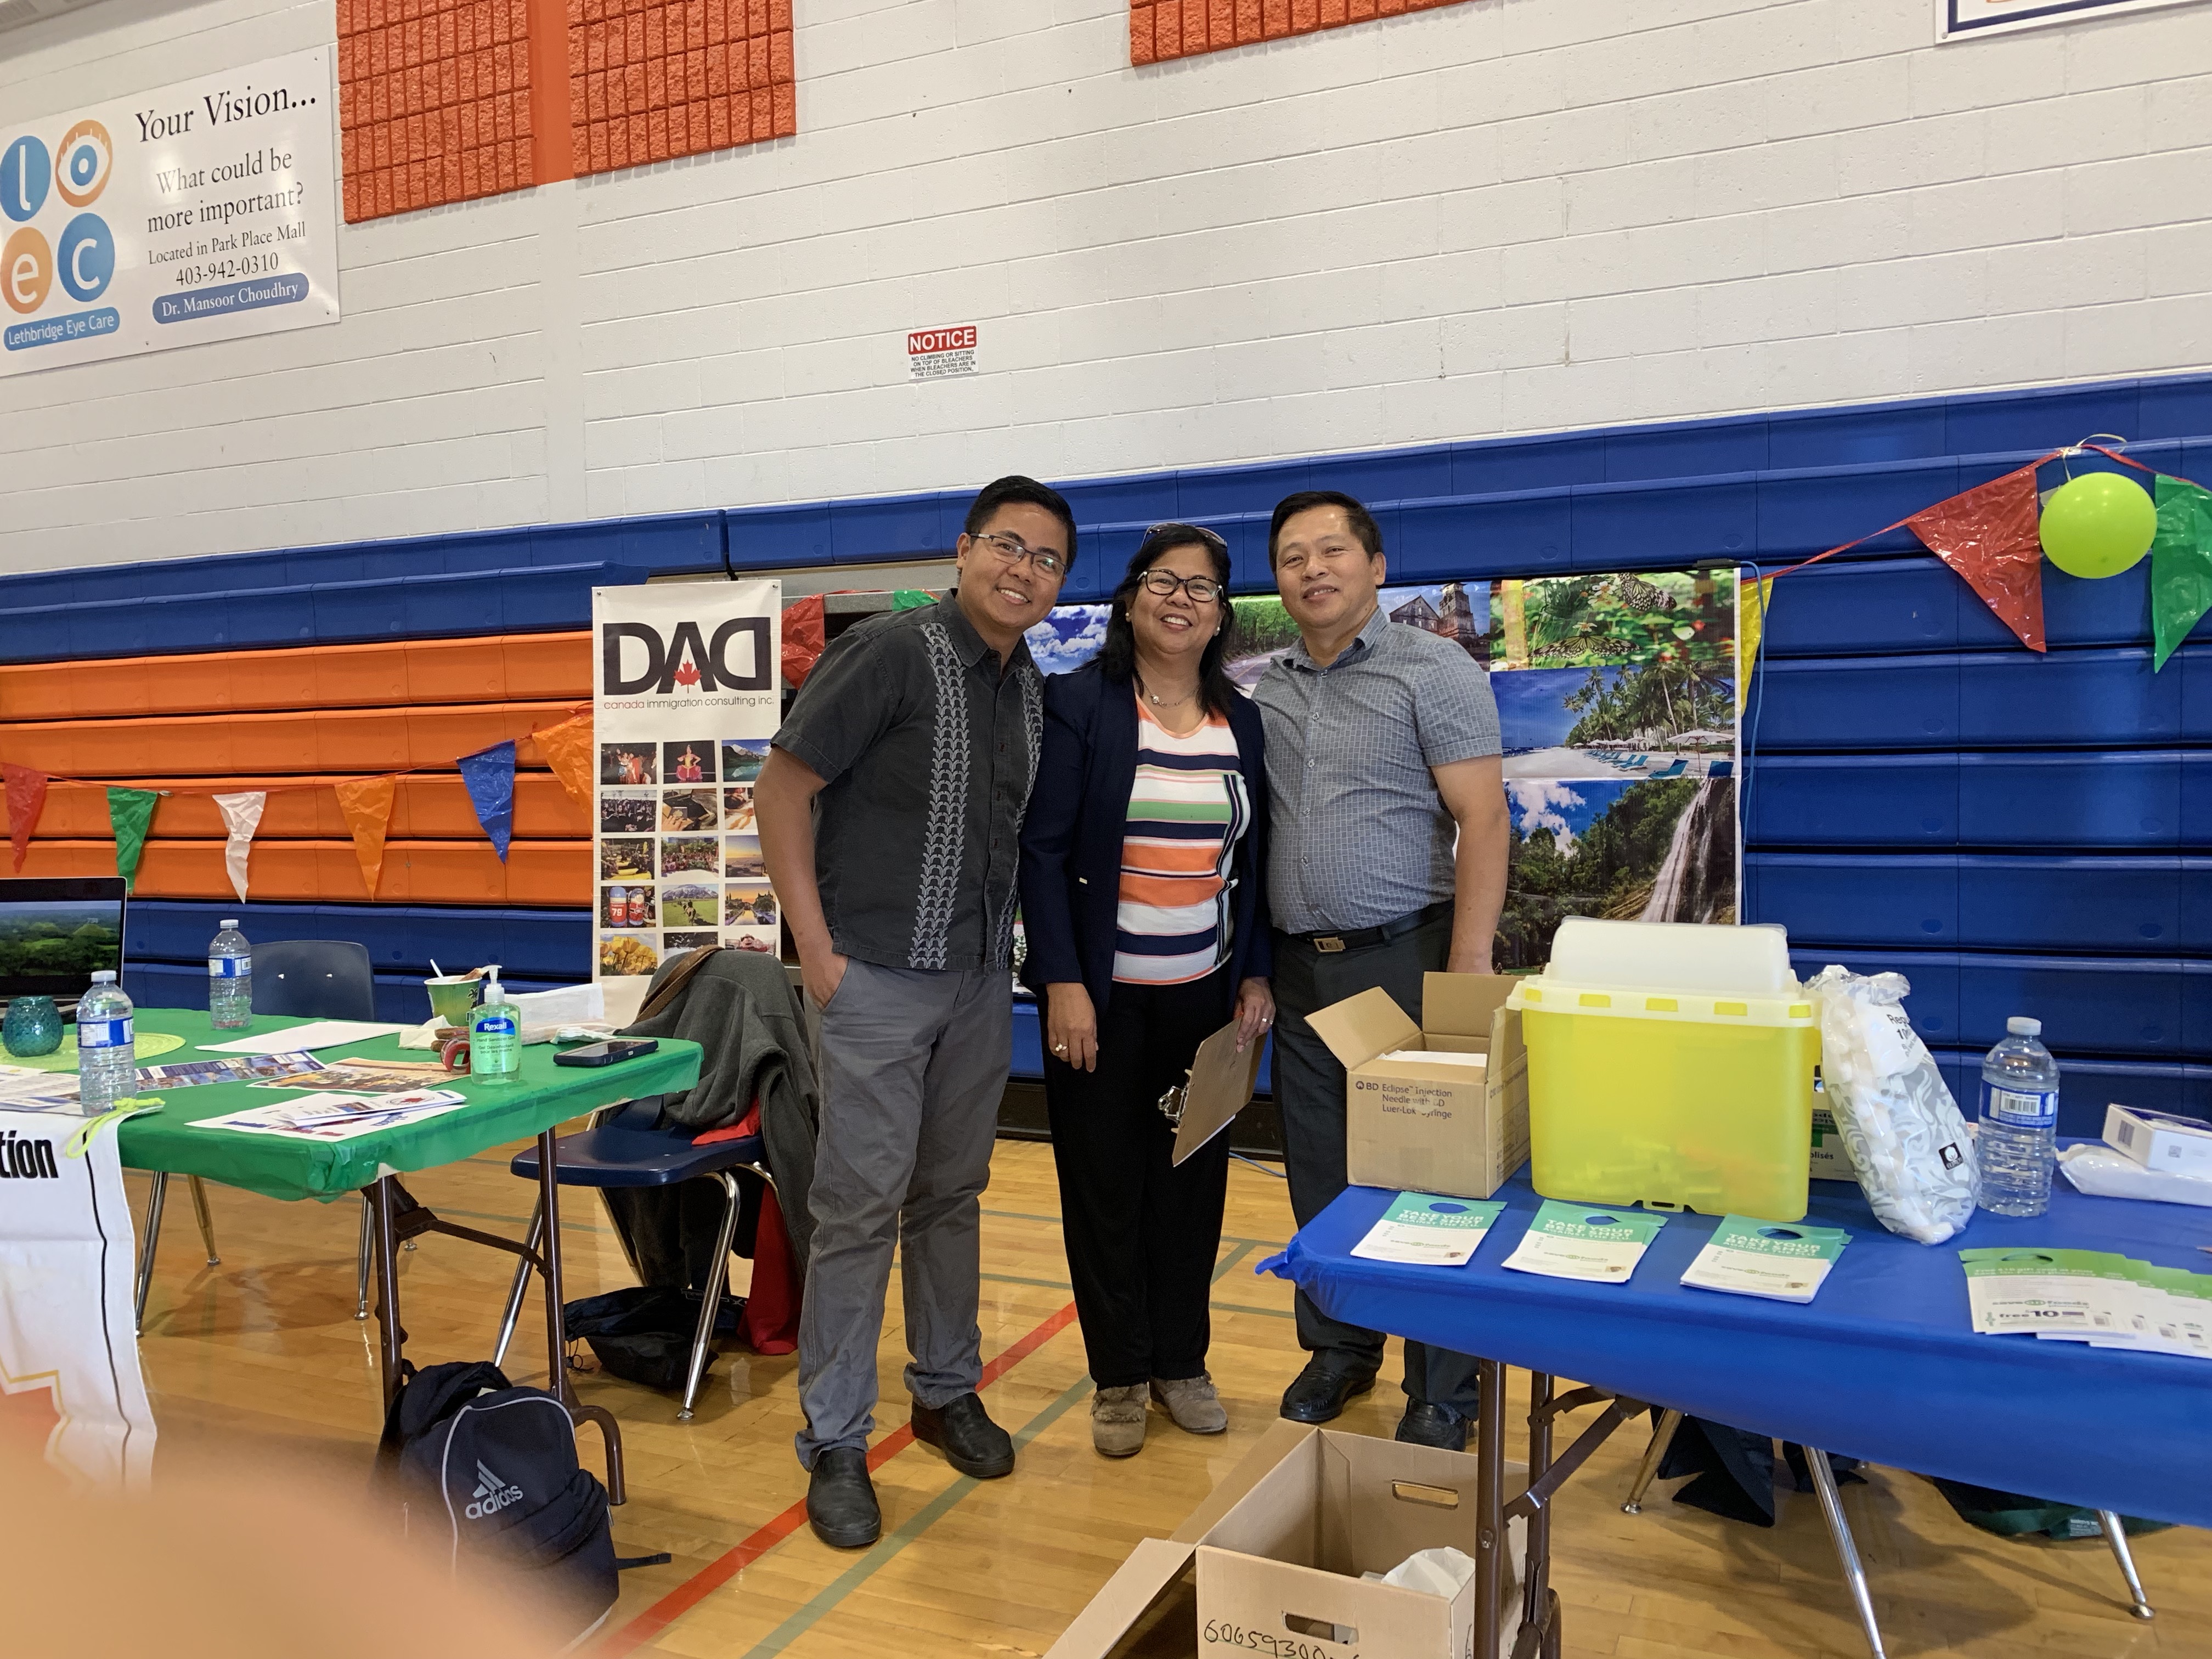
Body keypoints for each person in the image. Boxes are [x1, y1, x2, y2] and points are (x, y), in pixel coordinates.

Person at [755, 474, 1073, 1548]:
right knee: (857, 1211)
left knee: (951, 1196)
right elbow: (781, 790)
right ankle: (835, 1441)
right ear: (965, 549)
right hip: (876, 982)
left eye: (1047, 560)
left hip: (978, 983)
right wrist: (815, 952)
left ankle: (944, 1391)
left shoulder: (1029, 689)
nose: (1023, 570)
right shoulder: (890, 653)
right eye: (1009, 546)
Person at [1252, 489, 1510, 1451]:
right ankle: (1340, 1347)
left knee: (1429, 1174)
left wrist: (1468, 965)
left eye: (1331, 551)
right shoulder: (1266, 690)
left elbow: (1484, 817)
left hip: (1407, 955)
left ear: (1376, 566)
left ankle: (1443, 1387)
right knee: (1320, 1172)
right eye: (1292, 557)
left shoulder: (1432, 668)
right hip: (1299, 969)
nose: (1312, 570)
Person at [1018, 524, 1274, 1459]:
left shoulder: (1241, 719)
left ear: (1221, 614)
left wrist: (1253, 971)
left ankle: (1182, 1364)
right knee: (1103, 1191)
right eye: (1164, 581)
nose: (1181, 599)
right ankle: (1120, 1377)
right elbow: (1044, 852)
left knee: (1191, 1189)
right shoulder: (1081, 702)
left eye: (1202, 587)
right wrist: (1063, 982)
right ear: (1130, 600)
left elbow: (1255, 863)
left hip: (1203, 1001)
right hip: (1101, 1001)